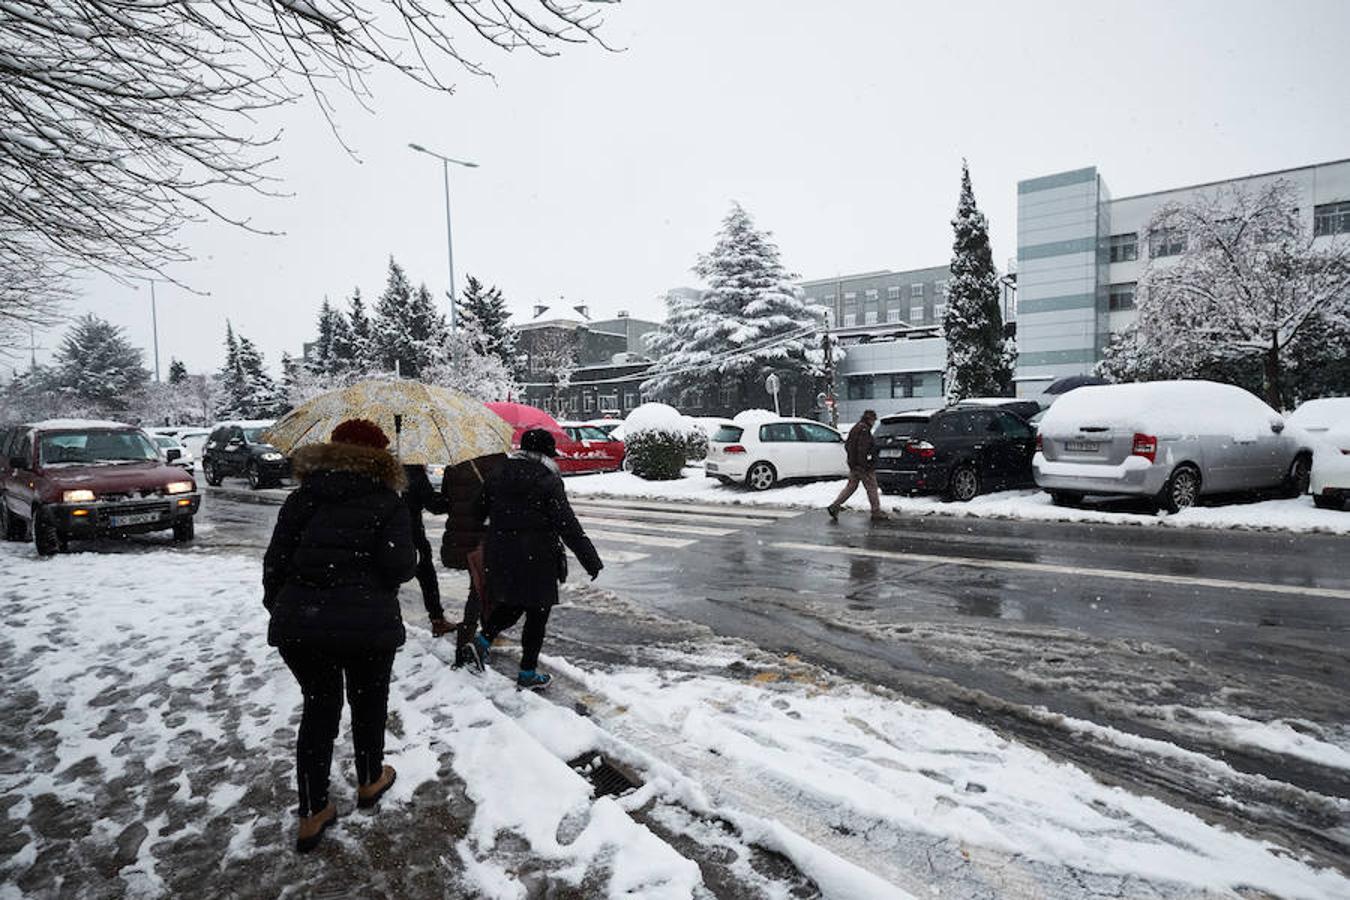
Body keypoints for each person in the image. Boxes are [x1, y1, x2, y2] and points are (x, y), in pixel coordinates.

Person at [262, 419, 417, 853]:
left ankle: (312, 811)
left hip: (302, 626)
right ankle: (369, 780)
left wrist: (286, 609)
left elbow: (274, 563)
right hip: (367, 626)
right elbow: (400, 568)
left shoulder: (302, 498)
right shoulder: (388, 502)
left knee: (319, 710)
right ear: (380, 456)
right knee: (368, 703)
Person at [469, 428, 603, 690]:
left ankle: (482, 641)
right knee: (537, 614)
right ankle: (527, 673)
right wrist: (590, 559)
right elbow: (567, 525)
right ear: (544, 454)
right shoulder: (547, 479)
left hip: (501, 553)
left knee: (512, 603)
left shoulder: (497, 473)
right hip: (537, 556)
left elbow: (477, 512)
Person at [438, 452, 507, 666]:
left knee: (479, 587)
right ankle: (468, 640)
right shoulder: (499, 461)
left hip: (461, 536)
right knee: (480, 589)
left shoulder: (455, 464)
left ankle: (481, 633)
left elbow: (446, 501)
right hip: (486, 535)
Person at [402, 462, 451, 634]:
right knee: (427, 577)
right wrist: (450, 494)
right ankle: (437, 619)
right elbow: (434, 505)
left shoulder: (373, 471)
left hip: (380, 536)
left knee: (384, 582)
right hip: (411, 535)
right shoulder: (412, 472)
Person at [827, 409, 885, 521]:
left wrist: (853, 462)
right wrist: (865, 464)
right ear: (870, 419)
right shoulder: (864, 430)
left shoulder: (856, 428)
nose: (874, 423)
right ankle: (876, 512)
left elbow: (848, 446)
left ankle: (835, 506)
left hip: (854, 465)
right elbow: (862, 449)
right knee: (872, 488)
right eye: (873, 420)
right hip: (863, 467)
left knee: (851, 487)